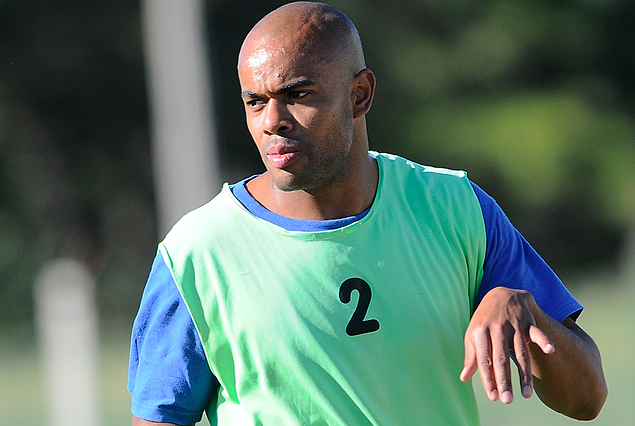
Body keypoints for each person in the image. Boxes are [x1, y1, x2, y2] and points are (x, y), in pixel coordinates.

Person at [128, 2, 607, 425]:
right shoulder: (195, 253)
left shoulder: (455, 208)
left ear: (360, 94)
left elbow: (587, 399)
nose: (272, 121)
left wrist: (527, 309)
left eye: (298, 94)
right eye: (256, 102)